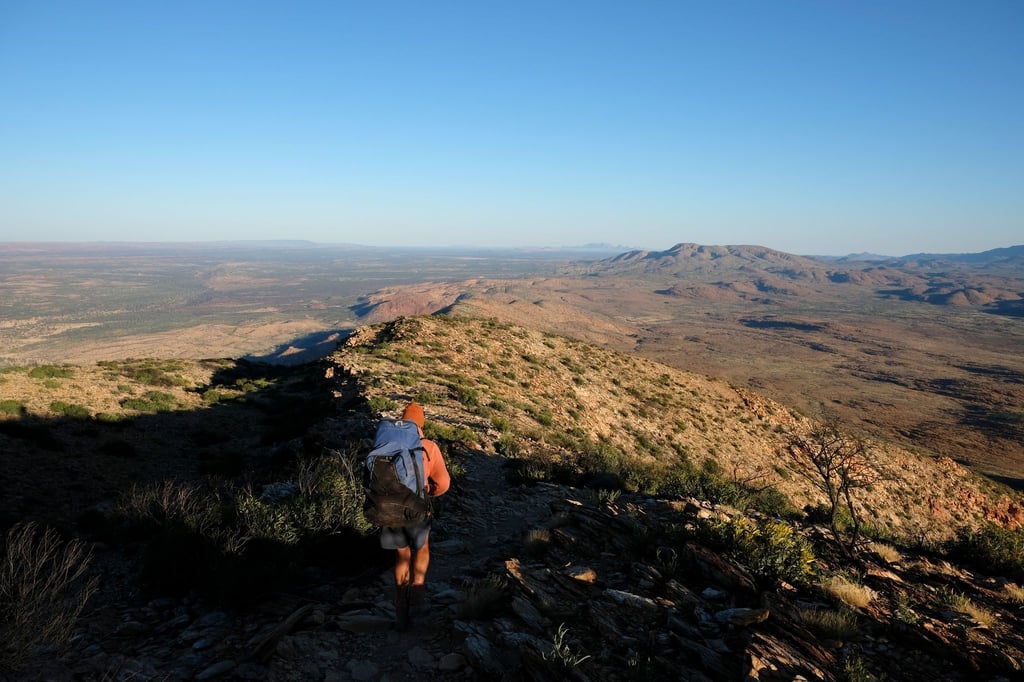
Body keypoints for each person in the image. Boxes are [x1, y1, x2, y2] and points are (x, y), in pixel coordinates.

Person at [380, 401, 450, 629]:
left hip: (388, 507)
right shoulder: (428, 446)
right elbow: (443, 484)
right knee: (421, 549)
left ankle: (401, 601)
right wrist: (429, 491)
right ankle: (417, 595)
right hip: (417, 509)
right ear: (421, 424)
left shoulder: (387, 443)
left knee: (401, 556)